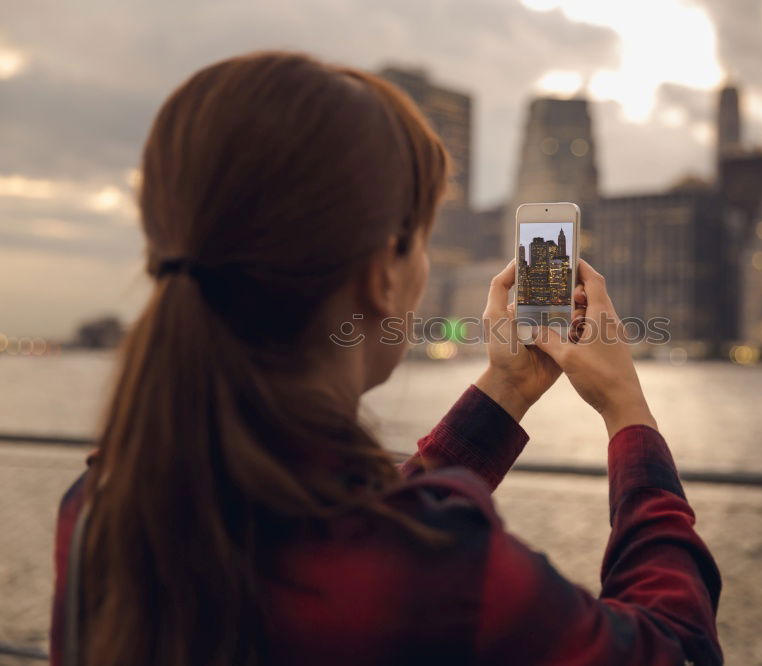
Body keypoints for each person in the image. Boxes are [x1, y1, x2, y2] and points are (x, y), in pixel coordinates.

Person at [50, 51, 722, 666]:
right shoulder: (444, 571)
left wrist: (507, 389)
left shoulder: (100, 504)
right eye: (422, 240)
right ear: (381, 274)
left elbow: (355, 528)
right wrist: (627, 410)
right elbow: (677, 649)